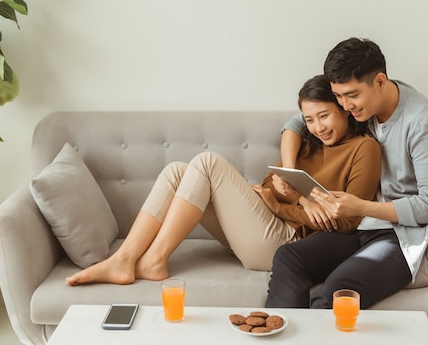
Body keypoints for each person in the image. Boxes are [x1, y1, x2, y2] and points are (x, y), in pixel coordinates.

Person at [65, 75, 381, 286]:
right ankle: (125, 258)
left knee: (206, 162)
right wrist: (294, 197)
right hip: (261, 229)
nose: (318, 127)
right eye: (309, 120)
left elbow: (349, 222)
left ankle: (155, 259)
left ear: (344, 110)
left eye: (324, 116)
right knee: (177, 170)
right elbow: (271, 183)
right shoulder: (308, 144)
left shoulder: (363, 149)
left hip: (289, 244)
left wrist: (280, 206)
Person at [265, 37, 428, 309]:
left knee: (334, 297)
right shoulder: (360, 107)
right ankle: (278, 335)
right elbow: (296, 122)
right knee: (289, 258)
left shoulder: (425, 125)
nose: (344, 106)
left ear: (380, 81)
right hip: (359, 226)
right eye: (339, 97)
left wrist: (361, 206)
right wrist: (289, 171)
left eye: (351, 96)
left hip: (398, 236)